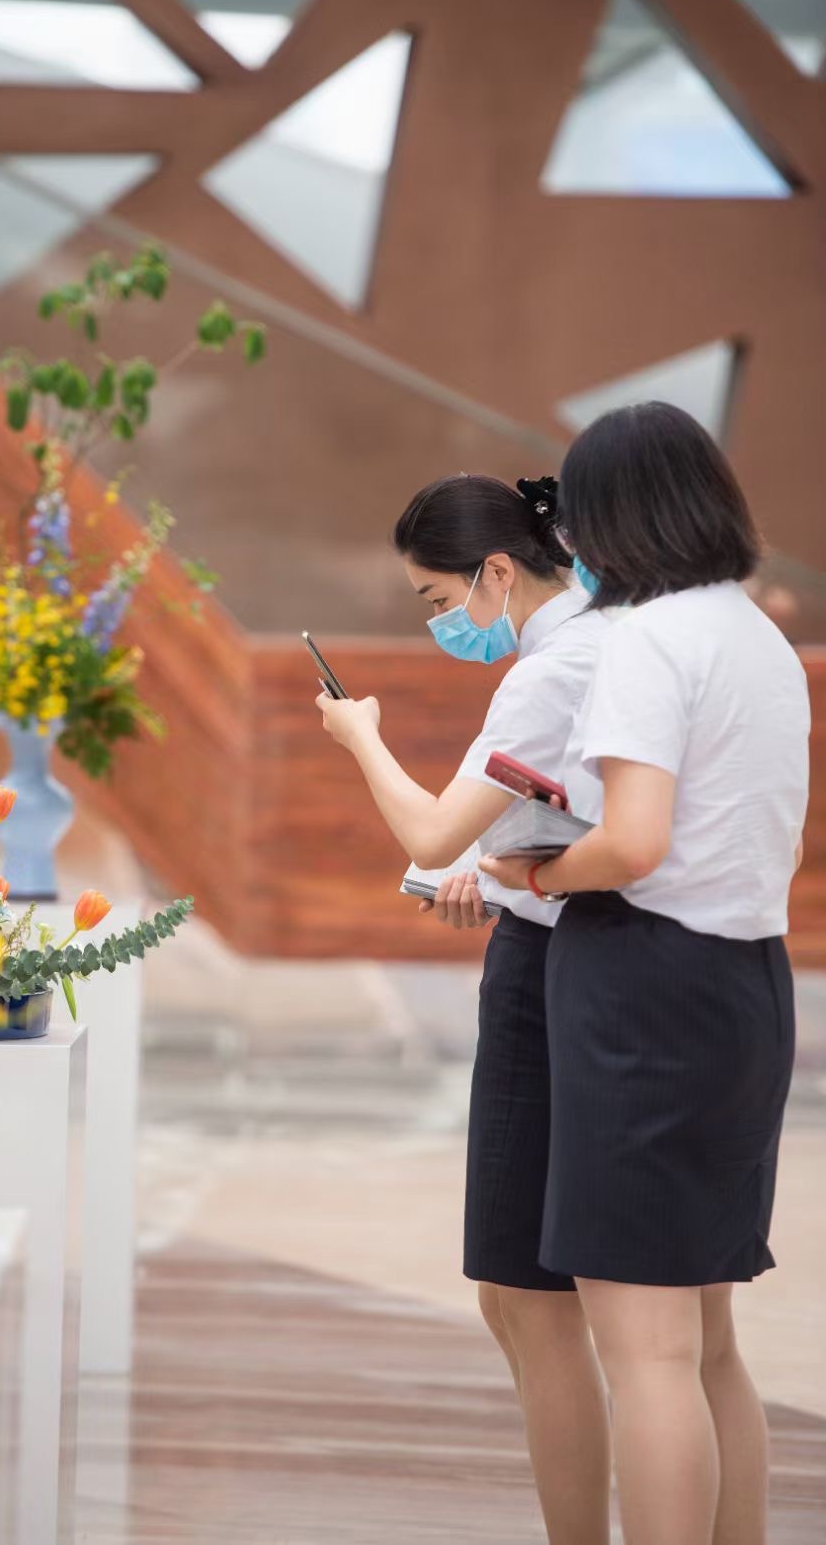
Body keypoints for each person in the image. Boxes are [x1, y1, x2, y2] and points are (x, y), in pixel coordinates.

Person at [480, 403, 810, 1545]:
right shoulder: (761, 638)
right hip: (748, 984)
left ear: (608, 520)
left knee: (648, 1352)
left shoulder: (647, 639)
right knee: (709, 1338)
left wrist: (534, 865)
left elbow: (633, 841)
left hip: (642, 989)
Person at [316, 473, 612, 1545]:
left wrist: (360, 736)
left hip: (551, 979)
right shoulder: (606, 638)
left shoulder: (554, 665)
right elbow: (563, 816)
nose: (443, 621)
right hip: (573, 951)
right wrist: (501, 868)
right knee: (546, 1303)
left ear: (499, 570)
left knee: (534, 1301)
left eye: (440, 597)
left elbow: (433, 831)